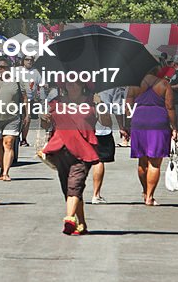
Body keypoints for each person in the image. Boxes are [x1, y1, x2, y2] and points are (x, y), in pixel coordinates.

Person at [42, 79, 105, 234]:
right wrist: (44, 118)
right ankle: (81, 224)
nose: (72, 85)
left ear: (83, 85)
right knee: (69, 189)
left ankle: (69, 218)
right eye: (68, 82)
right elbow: (46, 126)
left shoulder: (92, 102)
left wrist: (101, 106)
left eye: (76, 82)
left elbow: (107, 122)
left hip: (83, 151)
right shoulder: (56, 103)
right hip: (60, 150)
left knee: (74, 186)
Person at [126, 62, 177, 206]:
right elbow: (170, 106)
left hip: (139, 121)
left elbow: (127, 107)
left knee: (142, 161)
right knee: (155, 162)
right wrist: (175, 127)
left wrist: (129, 124)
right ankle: (149, 196)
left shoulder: (134, 85)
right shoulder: (164, 84)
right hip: (158, 122)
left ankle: (144, 191)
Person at [0, 57, 25, 180]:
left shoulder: (16, 82)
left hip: (12, 118)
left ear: (9, 69)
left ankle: (5, 172)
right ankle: (2, 167)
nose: (0, 69)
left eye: (3, 67)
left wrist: (26, 115)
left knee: (8, 144)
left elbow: (24, 98)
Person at [90, 86, 126, 204]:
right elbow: (117, 108)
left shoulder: (81, 79)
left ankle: (75, 191)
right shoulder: (112, 85)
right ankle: (96, 194)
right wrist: (122, 127)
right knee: (99, 160)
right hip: (102, 129)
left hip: (82, 127)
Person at [19, 54, 42, 147]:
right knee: (19, 119)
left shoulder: (36, 72)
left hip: (30, 99)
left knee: (27, 120)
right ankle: (16, 136)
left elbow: (41, 84)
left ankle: (24, 139)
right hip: (18, 99)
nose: (29, 61)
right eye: (27, 59)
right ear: (23, 61)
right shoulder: (18, 70)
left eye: (31, 60)